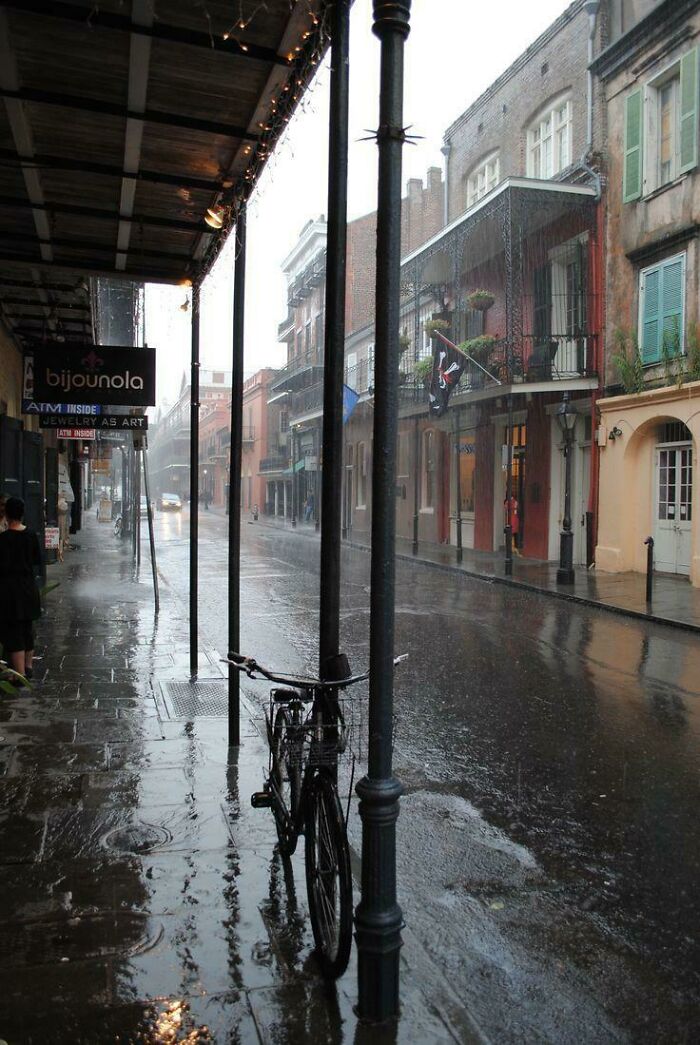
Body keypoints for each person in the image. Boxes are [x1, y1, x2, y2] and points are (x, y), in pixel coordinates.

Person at [0, 496, 42, 682]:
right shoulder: (31, 535)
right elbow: (36, 560)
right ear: (23, 514)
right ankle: (28, 666)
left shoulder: (3, 539)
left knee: (13, 631)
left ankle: (19, 674)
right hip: (28, 588)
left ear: (6, 515)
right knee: (27, 628)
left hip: (10, 590)